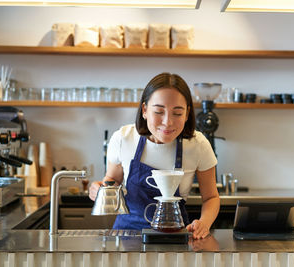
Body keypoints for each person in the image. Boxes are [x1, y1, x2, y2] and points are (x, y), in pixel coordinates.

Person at [89, 72, 219, 239]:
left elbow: (211, 197)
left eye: (177, 113)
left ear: (187, 114)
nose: (167, 122)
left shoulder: (198, 145)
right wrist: (100, 188)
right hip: (127, 235)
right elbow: (112, 180)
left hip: (176, 236)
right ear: (144, 110)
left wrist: (204, 223)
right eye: (158, 111)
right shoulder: (123, 138)